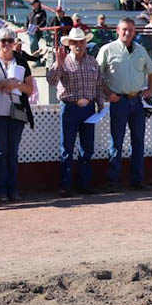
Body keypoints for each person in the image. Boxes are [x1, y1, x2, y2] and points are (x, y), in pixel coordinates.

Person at [97, 18, 152, 191]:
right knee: (117, 141)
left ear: (135, 31)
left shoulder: (140, 50)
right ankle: (113, 182)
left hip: (137, 101)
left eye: (130, 30)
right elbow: (97, 76)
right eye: (124, 29)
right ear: (117, 30)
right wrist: (108, 94)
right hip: (119, 101)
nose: (127, 33)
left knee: (138, 141)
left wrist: (149, 90)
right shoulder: (107, 49)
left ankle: (137, 180)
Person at [47, 28, 104, 197]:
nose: (79, 45)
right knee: (67, 147)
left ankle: (83, 183)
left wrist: (100, 103)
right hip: (70, 107)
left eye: (81, 42)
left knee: (87, 148)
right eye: (75, 42)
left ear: (86, 43)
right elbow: (52, 80)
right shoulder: (63, 62)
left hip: (89, 108)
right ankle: (65, 185)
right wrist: (58, 62)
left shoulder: (93, 62)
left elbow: (99, 85)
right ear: (69, 44)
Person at [0, 27, 34, 202]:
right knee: (0, 152)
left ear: (14, 42)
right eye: (3, 40)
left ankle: (13, 189)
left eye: (10, 40)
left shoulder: (21, 62)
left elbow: (30, 88)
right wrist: (2, 83)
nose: (6, 44)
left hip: (17, 112)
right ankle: (0, 190)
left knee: (13, 152)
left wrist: (15, 85)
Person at [26, 0, 47, 65]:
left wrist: (39, 26)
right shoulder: (30, 14)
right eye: (32, 4)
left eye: (33, 4)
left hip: (37, 32)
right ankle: (37, 61)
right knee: (33, 45)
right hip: (30, 31)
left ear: (38, 4)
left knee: (33, 45)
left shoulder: (42, 12)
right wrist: (26, 28)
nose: (32, 5)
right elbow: (27, 22)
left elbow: (44, 21)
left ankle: (37, 61)